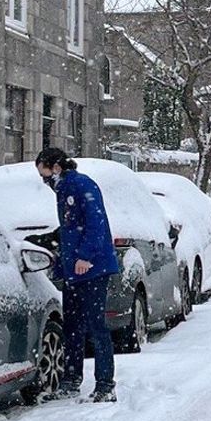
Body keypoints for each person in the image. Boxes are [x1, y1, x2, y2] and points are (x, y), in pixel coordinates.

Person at [36, 145, 121, 402]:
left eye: (46, 175)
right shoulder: (63, 190)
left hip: (93, 269)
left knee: (97, 326)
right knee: (72, 325)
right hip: (74, 271)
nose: (45, 181)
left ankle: (105, 384)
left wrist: (85, 256)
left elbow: (96, 224)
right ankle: (71, 379)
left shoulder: (81, 186)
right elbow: (69, 228)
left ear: (57, 168)